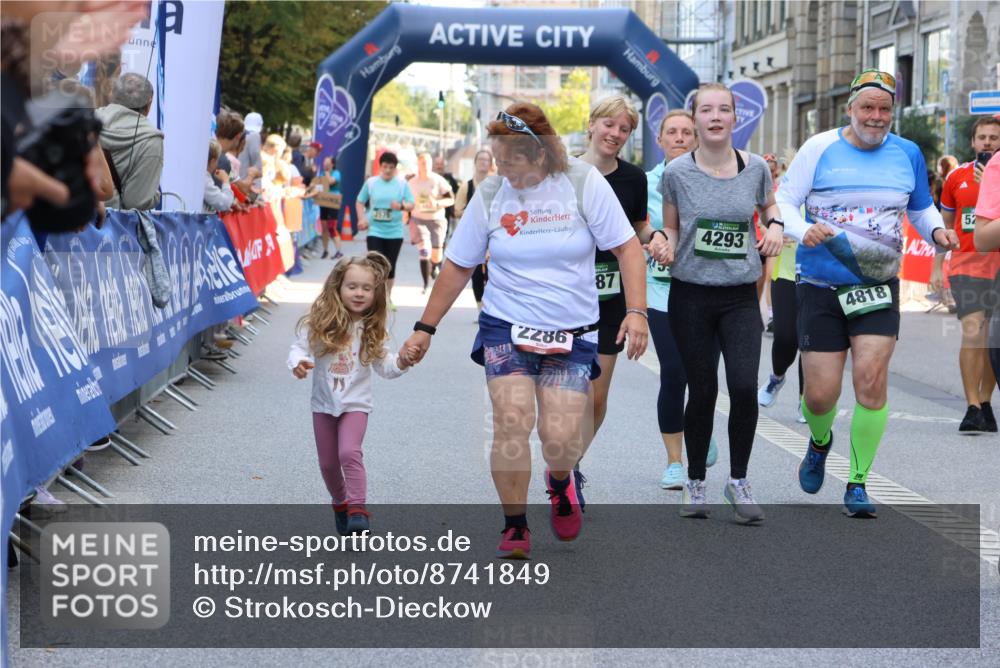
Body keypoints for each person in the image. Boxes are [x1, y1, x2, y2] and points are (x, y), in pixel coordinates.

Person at [402, 103, 648, 558]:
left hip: (571, 327)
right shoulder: (493, 192)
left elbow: (628, 249)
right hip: (505, 323)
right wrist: (425, 328)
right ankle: (515, 525)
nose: (502, 172)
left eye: (511, 162)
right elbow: (459, 264)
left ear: (540, 154)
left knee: (559, 439)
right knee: (512, 420)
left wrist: (637, 312)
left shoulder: (581, 182)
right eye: (497, 161)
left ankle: (560, 481)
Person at [776, 69, 959, 517]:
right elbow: (783, 201)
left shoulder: (908, 153)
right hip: (819, 283)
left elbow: (919, 206)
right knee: (819, 395)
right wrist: (803, 229)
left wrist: (936, 230)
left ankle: (857, 481)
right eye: (868, 108)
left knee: (871, 381)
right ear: (851, 109)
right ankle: (820, 442)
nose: (876, 117)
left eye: (884, 109)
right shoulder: (819, 148)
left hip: (877, 286)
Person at [648, 83, 783, 523]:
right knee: (702, 389)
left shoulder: (756, 167)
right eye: (706, 110)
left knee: (744, 386)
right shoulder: (677, 174)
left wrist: (776, 225)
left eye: (724, 109)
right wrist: (661, 244)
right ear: (696, 118)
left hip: (740, 296)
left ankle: (738, 481)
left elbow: (768, 209)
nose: (715, 116)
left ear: (735, 117)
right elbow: (669, 228)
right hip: (691, 295)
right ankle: (696, 481)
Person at [288, 253, 411, 534]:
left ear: (376, 293)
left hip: (356, 403)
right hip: (323, 404)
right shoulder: (320, 322)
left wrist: (403, 361)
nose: (359, 293)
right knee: (328, 464)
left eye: (367, 288)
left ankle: (358, 509)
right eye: (352, 286)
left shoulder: (371, 328)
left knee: (349, 452)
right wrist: (298, 363)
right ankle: (340, 503)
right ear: (338, 287)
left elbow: (385, 366)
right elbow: (299, 348)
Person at [573, 95, 649, 502]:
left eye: (625, 130)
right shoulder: (563, 172)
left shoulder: (634, 178)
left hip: (610, 298)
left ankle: (570, 467)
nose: (616, 134)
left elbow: (638, 228)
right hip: (566, 298)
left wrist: (656, 240)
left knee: (597, 396)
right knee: (568, 391)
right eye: (610, 125)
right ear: (592, 124)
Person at [646, 109, 720, 490]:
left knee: (702, 375)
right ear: (659, 140)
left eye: (686, 132)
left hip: (708, 292)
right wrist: (653, 238)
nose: (678, 137)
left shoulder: (716, 178)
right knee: (674, 373)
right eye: (671, 132)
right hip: (661, 292)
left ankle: (701, 429)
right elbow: (631, 229)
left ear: (696, 139)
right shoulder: (646, 185)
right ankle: (675, 461)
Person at [931, 117, 1000, 432]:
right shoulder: (956, 177)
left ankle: (986, 401)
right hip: (967, 264)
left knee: (992, 340)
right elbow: (944, 228)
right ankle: (972, 405)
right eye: (982, 137)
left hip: (997, 265)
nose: (987, 142)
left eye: (994, 137)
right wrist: (936, 266)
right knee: (973, 331)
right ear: (973, 142)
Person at [96, 73, 163, 210]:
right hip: (112, 225)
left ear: (111, 94)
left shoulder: (86, 121)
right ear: (149, 103)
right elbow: (137, 202)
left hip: (70, 218)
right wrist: (156, 195)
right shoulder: (150, 139)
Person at [356, 151, 414, 308]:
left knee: (389, 266)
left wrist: (401, 206)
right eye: (385, 166)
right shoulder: (372, 183)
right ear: (380, 166)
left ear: (395, 168)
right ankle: (374, 298)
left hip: (395, 232)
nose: (388, 170)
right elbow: (360, 201)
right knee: (374, 265)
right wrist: (362, 218)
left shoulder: (402, 184)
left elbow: (411, 204)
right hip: (375, 230)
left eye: (391, 167)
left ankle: (387, 298)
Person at [453, 149, 495, 314]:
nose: (483, 163)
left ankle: (492, 307)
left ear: (491, 164)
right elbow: (456, 211)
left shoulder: (496, 185)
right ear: (475, 163)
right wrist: (474, 213)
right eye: (481, 160)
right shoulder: (467, 186)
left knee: (493, 272)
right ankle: (480, 309)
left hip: (492, 236)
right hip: (474, 237)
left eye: (487, 160)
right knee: (476, 273)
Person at [408, 153, 454, 291]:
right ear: (418, 164)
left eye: (427, 162)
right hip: (418, 219)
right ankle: (425, 284)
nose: (425, 165)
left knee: (436, 253)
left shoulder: (438, 180)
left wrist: (437, 203)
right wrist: (405, 214)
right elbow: (406, 200)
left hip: (436, 219)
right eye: (422, 162)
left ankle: (435, 265)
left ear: (431, 164)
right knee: (424, 250)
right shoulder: (411, 183)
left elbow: (451, 199)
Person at [316, 155, 343, 259]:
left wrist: (327, 173)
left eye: (327, 163)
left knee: (332, 226)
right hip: (323, 201)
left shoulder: (336, 173)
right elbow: (319, 185)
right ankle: (325, 250)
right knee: (324, 227)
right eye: (324, 162)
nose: (325, 165)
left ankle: (338, 250)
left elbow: (331, 181)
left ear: (332, 164)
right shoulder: (322, 173)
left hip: (333, 201)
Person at [433, 154, 460, 242]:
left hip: (445, 215)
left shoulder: (450, 179)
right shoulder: (429, 178)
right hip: (430, 215)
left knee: (442, 240)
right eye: (437, 164)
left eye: (441, 164)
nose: (439, 166)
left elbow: (457, 194)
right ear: (434, 165)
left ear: (444, 165)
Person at [203, 138, 234, 213]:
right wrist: (225, 181)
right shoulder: (204, 180)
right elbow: (225, 203)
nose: (217, 164)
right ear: (213, 161)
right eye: (217, 160)